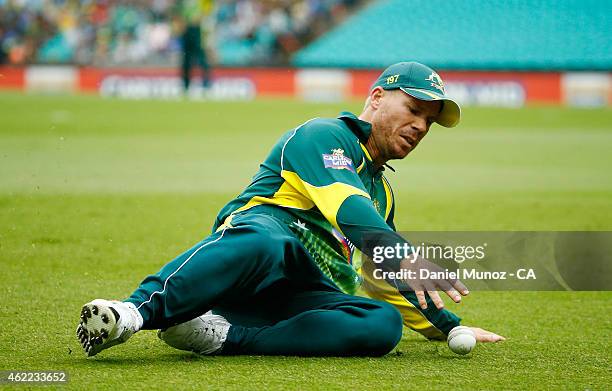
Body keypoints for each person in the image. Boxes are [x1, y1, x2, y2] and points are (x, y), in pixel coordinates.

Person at [77, 62, 504, 357]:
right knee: (269, 239)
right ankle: (131, 313)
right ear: (376, 98)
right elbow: (349, 210)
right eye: (414, 110)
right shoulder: (323, 136)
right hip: (250, 266)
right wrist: (403, 253)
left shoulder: (384, 193)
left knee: (381, 324)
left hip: (300, 295)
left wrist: (449, 326)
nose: (420, 126)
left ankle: (222, 337)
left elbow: (386, 276)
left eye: (429, 121)